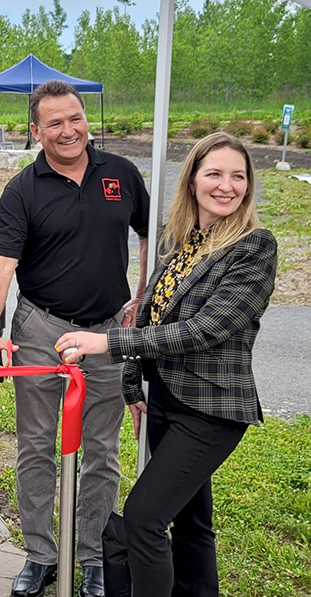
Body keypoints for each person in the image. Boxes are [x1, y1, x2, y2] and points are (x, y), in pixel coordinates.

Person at [56, 133, 276, 597]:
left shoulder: (254, 246)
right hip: (165, 402)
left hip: (211, 412)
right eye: (214, 173)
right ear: (192, 179)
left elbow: (203, 330)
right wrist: (135, 388)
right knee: (192, 523)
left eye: (238, 176)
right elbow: (152, 312)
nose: (226, 185)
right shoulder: (182, 241)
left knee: (142, 519)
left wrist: (105, 342)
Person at [0, 79, 150, 597]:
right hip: (41, 329)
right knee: (35, 447)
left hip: (106, 334)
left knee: (101, 448)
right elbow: (0, 263)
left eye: (74, 118)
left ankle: (92, 556)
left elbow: (151, 232)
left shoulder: (120, 173)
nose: (68, 130)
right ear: (36, 130)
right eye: (54, 122)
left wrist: (139, 296)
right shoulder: (23, 190)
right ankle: (40, 555)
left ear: (86, 119)